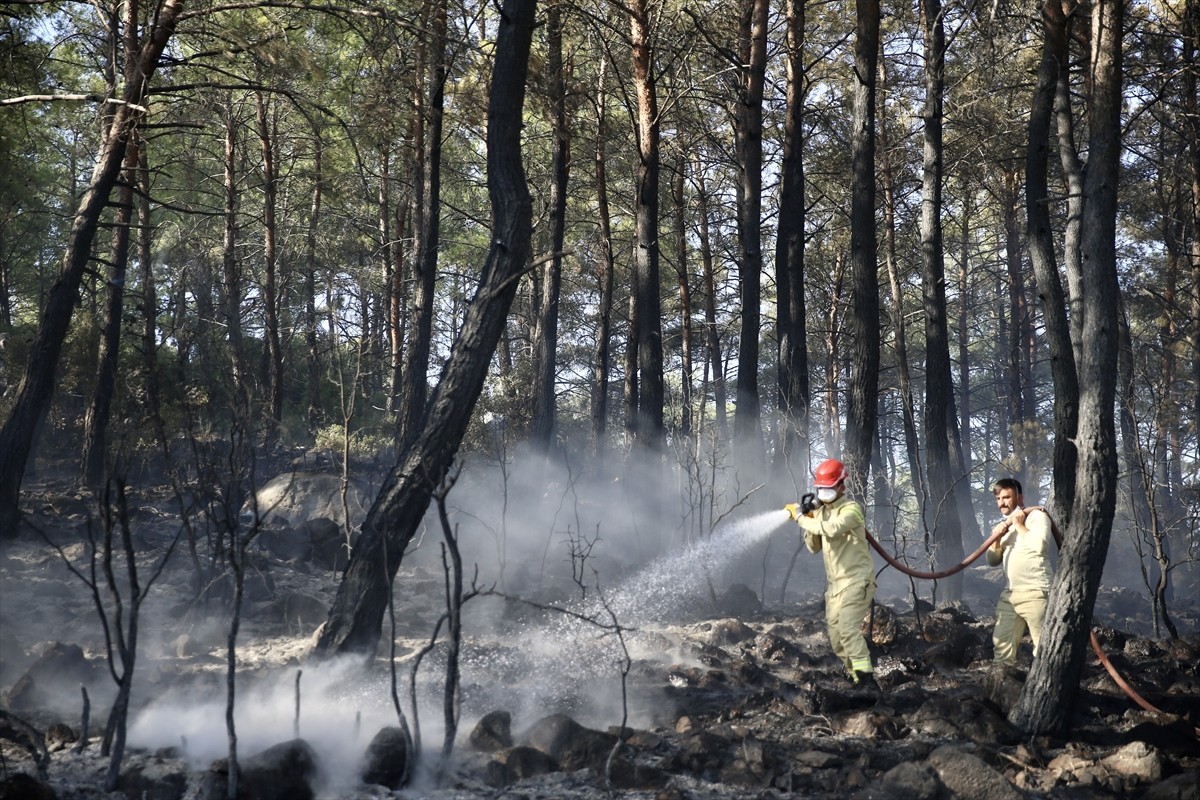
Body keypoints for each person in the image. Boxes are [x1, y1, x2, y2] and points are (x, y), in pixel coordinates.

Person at [787, 458, 877, 689]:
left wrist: (799, 518)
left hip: (857, 581)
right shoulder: (820, 514)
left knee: (848, 630)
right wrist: (808, 518)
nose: (824, 493)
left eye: (829, 488)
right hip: (835, 587)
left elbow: (833, 529)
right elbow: (814, 547)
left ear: (841, 486)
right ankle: (856, 678)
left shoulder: (852, 510)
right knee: (837, 641)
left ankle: (867, 680)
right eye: (821, 489)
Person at [986, 478, 1054, 666]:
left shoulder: (1036, 517)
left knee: (1044, 650)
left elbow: (1039, 545)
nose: (1002, 503)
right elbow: (992, 560)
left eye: (1006, 497)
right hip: (1010, 594)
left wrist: (1019, 525)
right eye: (998, 498)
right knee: (1001, 648)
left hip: (1037, 591)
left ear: (1020, 497)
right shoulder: (1001, 526)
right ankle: (1000, 691)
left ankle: (1044, 691)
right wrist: (997, 538)